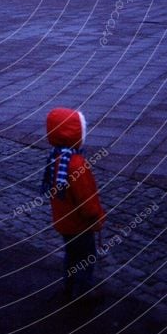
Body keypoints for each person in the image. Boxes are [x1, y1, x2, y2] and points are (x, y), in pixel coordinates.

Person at [41, 107, 106, 300]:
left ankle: (68, 287)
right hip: (79, 225)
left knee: (71, 255)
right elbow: (87, 200)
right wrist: (98, 217)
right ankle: (84, 293)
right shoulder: (76, 165)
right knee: (86, 258)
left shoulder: (55, 158)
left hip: (64, 223)